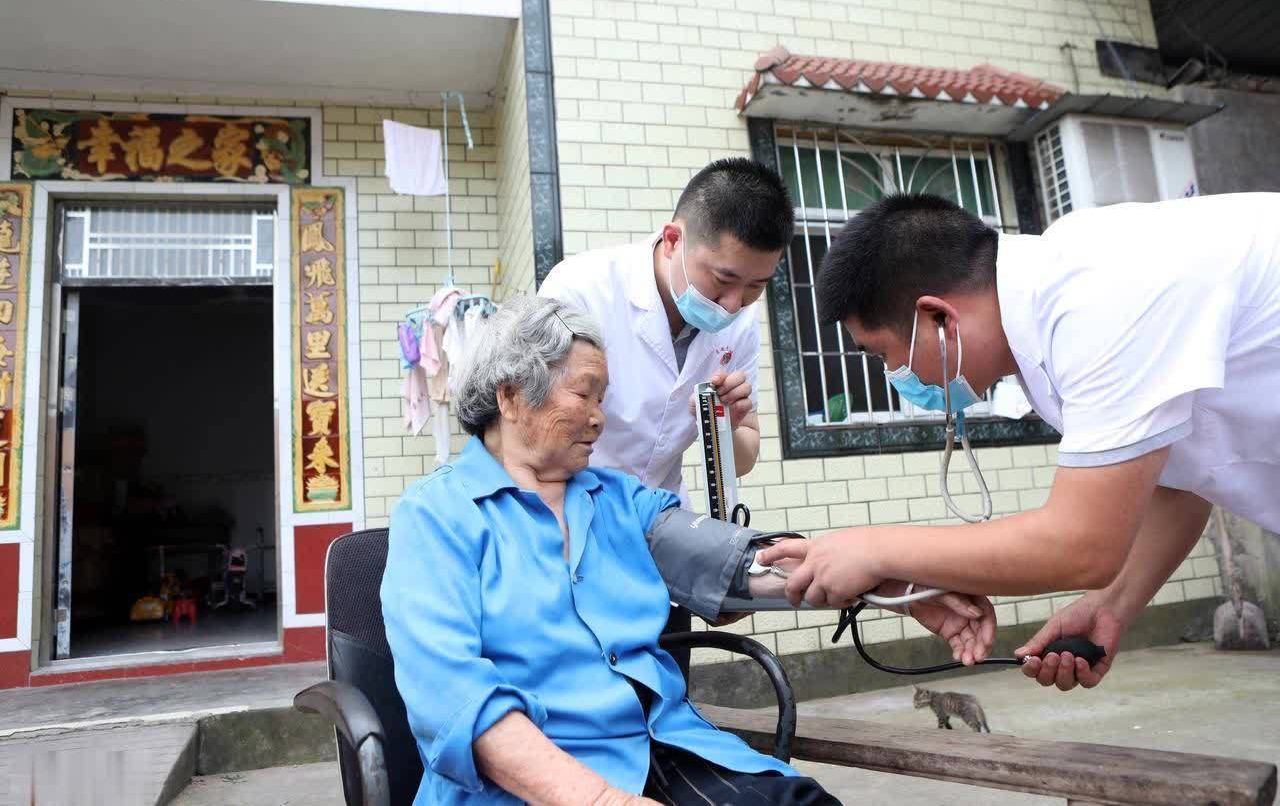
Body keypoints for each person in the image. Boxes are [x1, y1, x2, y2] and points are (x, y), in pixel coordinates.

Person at [759, 192, 1280, 691]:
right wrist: (1112, 604)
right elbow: (1179, 476)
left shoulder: (1098, 298)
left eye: (883, 354)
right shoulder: (1048, 327)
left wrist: (873, 550)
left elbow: (1082, 545)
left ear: (939, 317)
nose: (895, 373)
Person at [381, 296, 848, 805]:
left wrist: (859, 573)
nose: (599, 419)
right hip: (531, 779)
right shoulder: (436, 514)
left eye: (602, 400)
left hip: (660, 745)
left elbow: (729, 561)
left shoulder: (619, 499)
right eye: (585, 394)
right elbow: (450, 694)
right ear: (512, 397)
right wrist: (603, 799)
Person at [538, 157, 794, 669]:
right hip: (568, 532)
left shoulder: (740, 326)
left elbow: (743, 457)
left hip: (660, 538)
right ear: (673, 239)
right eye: (722, 279)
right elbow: (538, 434)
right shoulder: (581, 290)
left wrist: (728, 426)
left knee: (665, 691)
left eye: (756, 286)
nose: (733, 304)